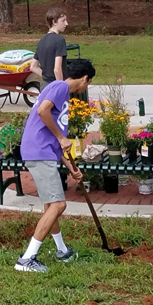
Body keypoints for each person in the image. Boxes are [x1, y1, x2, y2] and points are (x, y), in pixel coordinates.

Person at [15, 59, 96, 273]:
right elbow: (42, 111)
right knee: (59, 205)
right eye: (88, 84)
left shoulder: (61, 93)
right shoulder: (60, 87)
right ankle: (27, 259)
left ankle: (61, 250)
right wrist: (62, 137)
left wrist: (72, 168)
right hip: (38, 151)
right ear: (85, 78)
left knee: (51, 207)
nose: (85, 88)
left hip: (44, 151)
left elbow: (56, 143)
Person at [31, 7, 68, 85]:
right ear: (54, 22)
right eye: (63, 21)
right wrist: (60, 86)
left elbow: (33, 67)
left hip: (45, 86)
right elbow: (57, 69)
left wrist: (46, 78)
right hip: (56, 85)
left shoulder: (41, 41)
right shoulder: (60, 40)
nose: (66, 24)